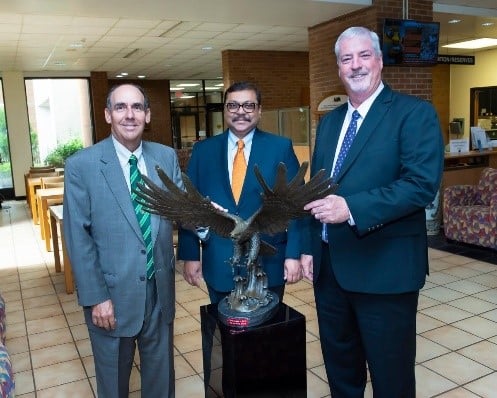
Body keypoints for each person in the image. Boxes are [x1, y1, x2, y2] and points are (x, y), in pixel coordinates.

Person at [301, 27, 444, 397]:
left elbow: (420, 185)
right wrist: (306, 246)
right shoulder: (330, 122)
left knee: (391, 378)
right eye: (346, 59)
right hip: (330, 272)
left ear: (380, 61)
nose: (356, 65)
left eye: (364, 55)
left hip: (386, 272)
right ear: (338, 68)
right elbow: (317, 189)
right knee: (341, 373)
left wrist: (351, 207)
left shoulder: (414, 114)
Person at [63, 83, 181, 397]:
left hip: (159, 293)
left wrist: (211, 217)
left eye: (137, 107)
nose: (129, 115)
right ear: (107, 114)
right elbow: (78, 237)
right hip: (111, 299)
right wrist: (96, 297)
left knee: (161, 380)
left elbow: (182, 209)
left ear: (147, 114)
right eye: (120, 107)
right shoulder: (82, 166)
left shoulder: (165, 158)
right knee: (114, 384)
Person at [177, 81, 302, 304]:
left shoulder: (280, 147)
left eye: (248, 105)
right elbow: (190, 206)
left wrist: (293, 254)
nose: (240, 112)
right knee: (224, 333)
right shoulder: (203, 151)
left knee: (268, 334)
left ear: (259, 110)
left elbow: (294, 206)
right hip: (219, 261)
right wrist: (190, 255)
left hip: (268, 264)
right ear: (225, 110)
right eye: (233, 105)